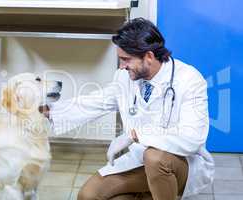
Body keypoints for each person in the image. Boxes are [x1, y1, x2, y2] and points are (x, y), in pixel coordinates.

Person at [42, 18, 214, 200]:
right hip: (140, 159)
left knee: (155, 158)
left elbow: (192, 137)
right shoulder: (125, 77)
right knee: (89, 196)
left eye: (126, 59)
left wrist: (135, 135)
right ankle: (149, 193)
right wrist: (50, 111)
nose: (122, 66)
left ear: (148, 56)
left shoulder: (189, 80)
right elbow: (97, 101)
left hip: (180, 163)